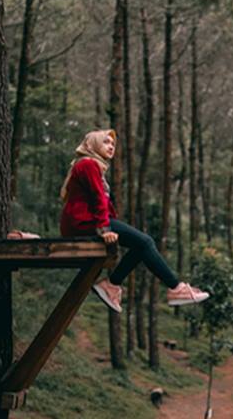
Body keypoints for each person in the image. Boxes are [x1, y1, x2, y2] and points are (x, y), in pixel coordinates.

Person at [60, 129, 209, 313]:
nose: (111, 147)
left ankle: (111, 285)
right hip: (84, 223)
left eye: (113, 144)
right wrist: (104, 229)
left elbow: (101, 201)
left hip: (87, 222)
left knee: (140, 245)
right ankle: (176, 288)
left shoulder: (91, 166)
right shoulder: (88, 164)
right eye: (106, 142)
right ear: (93, 144)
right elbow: (98, 198)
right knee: (145, 241)